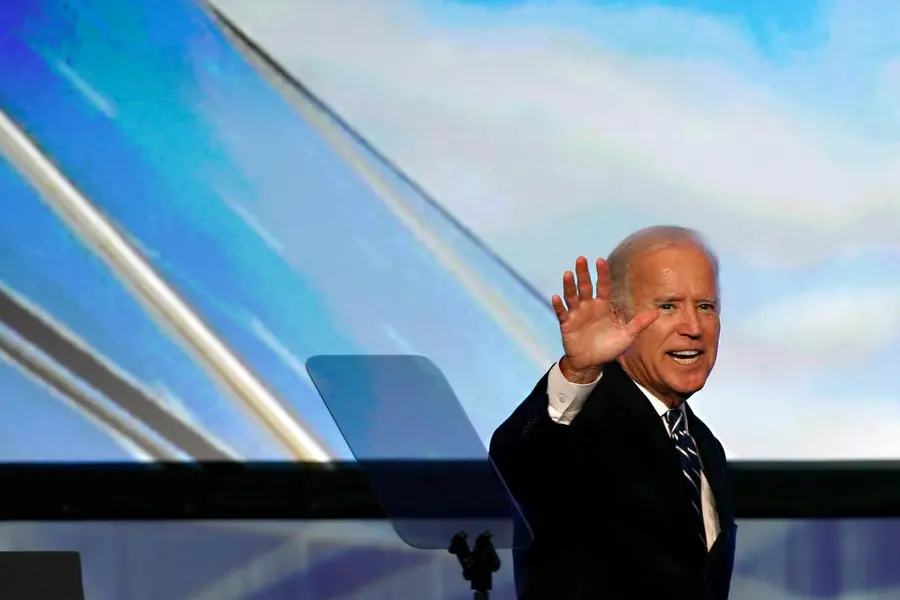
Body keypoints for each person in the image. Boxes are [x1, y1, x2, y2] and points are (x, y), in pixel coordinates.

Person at [490, 226, 736, 599]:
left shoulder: (705, 447)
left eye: (706, 306)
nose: (693, 327)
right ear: (618, 319)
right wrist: (577, 373)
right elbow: (516, 466)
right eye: (668, 306)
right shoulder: (584, 423)